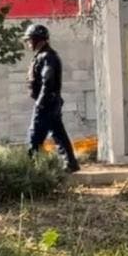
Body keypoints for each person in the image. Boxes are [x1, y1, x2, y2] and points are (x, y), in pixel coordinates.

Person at [24, 24, 80, 173]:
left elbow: (47, 81)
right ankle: (71, 163)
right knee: (58, 133)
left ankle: (30, 168)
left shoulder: (47, 57)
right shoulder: (43, 56)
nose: (28, 43)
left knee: (34, 135)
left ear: (38, 40)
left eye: (30, 40)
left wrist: (40, 103)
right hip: (51, 102)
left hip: (47, 103)